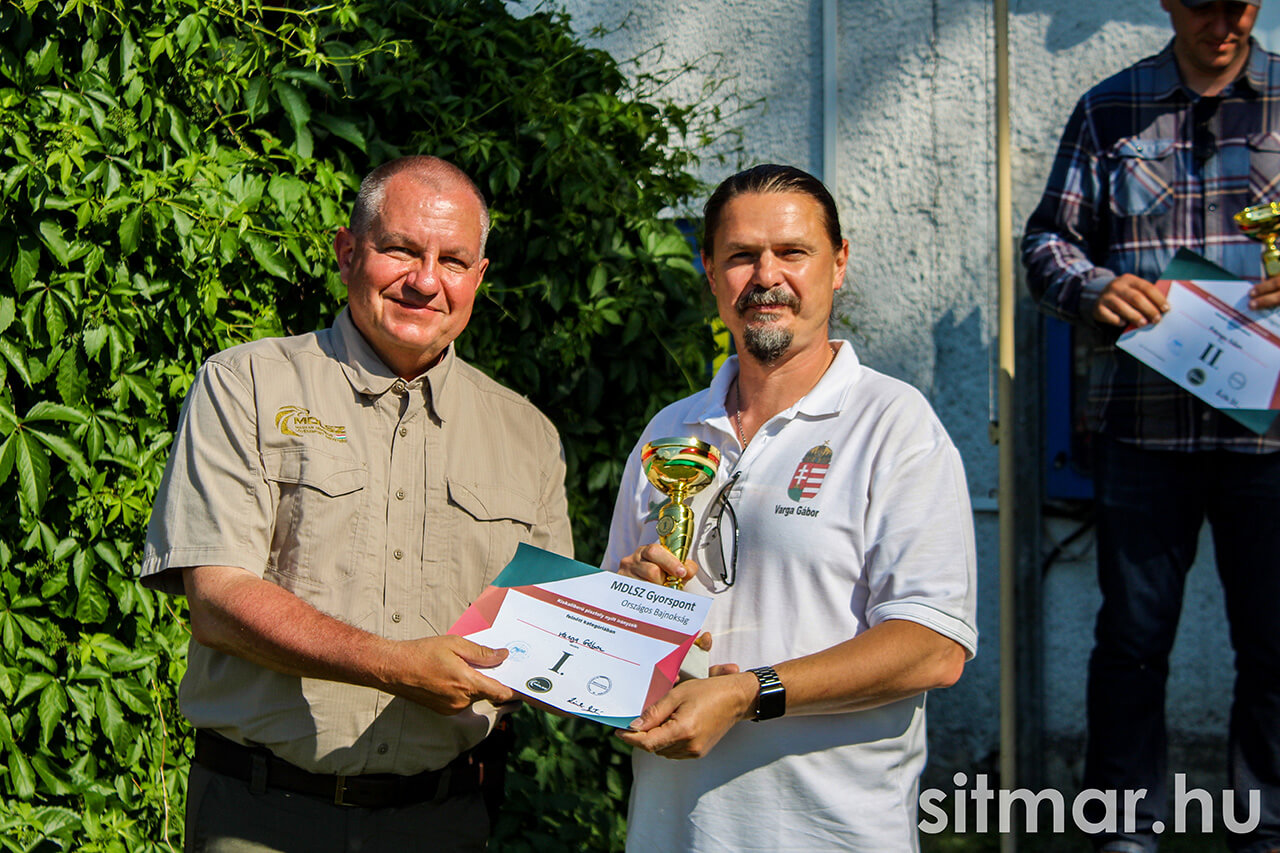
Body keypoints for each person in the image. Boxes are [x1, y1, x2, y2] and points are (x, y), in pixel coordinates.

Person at [141, 155, 572, 852]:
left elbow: (544, 635)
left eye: (453, 261)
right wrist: (394, 664)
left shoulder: (528, 436)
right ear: (347, 253)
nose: (425, 280)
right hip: (262, 816)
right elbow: (216, 599)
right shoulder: (246, 385)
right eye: (400, 249)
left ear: (479, 277)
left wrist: (631, 613)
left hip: (439, 822)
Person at [602, 164, 978, 852]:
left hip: (830, 833)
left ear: (839, 264)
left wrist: (751, 692)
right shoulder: (669, 433)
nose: (766, 276)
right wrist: (633, 601)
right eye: (741, 256)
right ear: (710, 271)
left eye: (792, 252)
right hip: (673, 830)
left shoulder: (893, 425)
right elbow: (613, 652)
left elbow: (933, 647)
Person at [1022, 2, 1280, 850]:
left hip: (1271, 434)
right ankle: (1123, 830)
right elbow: (1047, 244)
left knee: (1275, 644)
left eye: (1241, 3)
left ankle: (1267, 828)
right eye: (1205, 3)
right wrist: (1093, 287)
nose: (1224, 23)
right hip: (1143, 428)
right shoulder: (1111, 109)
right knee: (1131, 643)